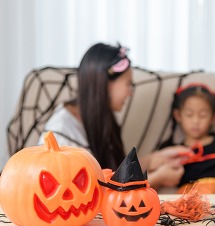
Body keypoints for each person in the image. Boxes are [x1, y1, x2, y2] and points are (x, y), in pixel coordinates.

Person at [38, 42, 192, 190]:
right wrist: (157, 178)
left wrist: (154, 159)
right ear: (105, 83)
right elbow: (90, 193)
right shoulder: (61, 133)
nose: (130, 92)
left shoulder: (99, 116)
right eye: (128, 84)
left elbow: (111, 172)